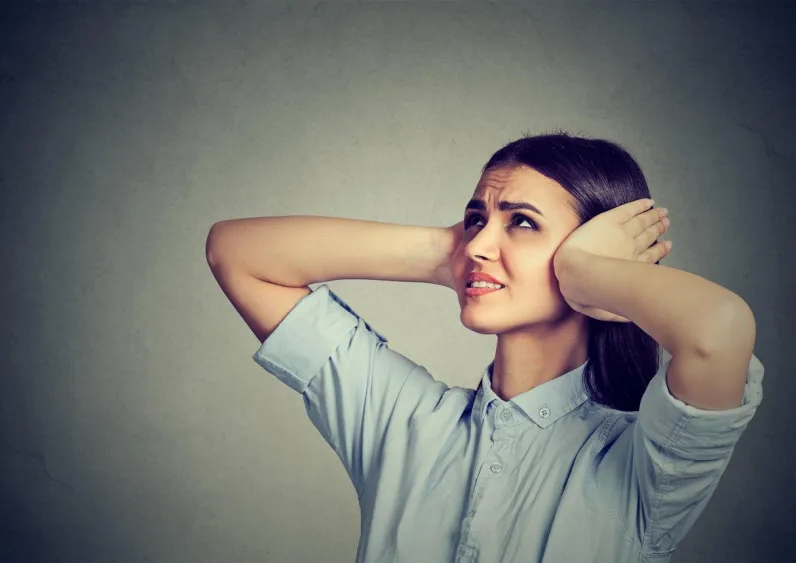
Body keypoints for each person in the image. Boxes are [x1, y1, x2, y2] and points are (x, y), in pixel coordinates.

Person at [205, 132, 764, 563]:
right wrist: (448, 254)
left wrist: (588, 271)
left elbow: (719, 330)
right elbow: (236, 253)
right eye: (475, 219)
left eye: (522, 222)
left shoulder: (642, 467)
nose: (479, 243)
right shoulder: (403, 421)